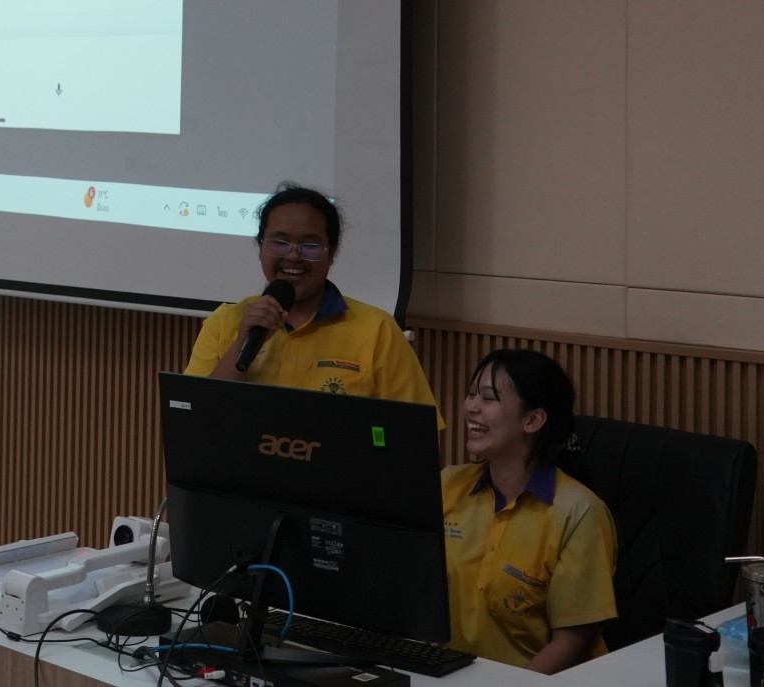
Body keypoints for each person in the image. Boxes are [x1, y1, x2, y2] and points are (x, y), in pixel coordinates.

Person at [183, 183, 438, 420]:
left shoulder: (379, 330)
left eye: (309, 245)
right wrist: (242, 343)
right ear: (261, 247)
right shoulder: (225, 322)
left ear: (332, 252)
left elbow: (415, 434)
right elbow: (193, 418)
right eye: (279, 242)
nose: (293, 256)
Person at [440, 348, 617, 673]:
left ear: (532, 420)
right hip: (449, 674)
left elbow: (574, 639)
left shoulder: (578, 512)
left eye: (488, 398)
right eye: (471, 394)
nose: (471, 407)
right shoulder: (447, 485)